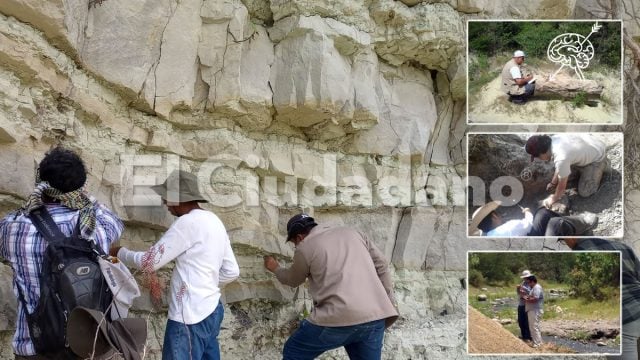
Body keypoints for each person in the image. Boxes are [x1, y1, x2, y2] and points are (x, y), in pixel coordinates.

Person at [0, 147, 124, 359]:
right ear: (81, 188)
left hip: (34, 349)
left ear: (41, 184)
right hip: (87, 348)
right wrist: (85, 197)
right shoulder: (99, 227)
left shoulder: (12, 229)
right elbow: (114, 220)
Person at [111, 170, 240, 360]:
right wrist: (204, 284)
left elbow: (149, 262)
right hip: (212, 309)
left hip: (189, 317)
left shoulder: (187, 223)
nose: (164, 203)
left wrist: (119, 252)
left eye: (166, 197)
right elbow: (232, 271)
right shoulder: (214, 221)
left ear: (178, 198)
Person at [263, 214, 399, 359]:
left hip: (337, 319)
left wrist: (276, 268)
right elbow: (382, 264)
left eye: (293, 243)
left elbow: (293, 280)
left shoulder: (305, 247)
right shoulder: (354, 233)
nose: (296, 246)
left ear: (299, 237)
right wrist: (389, 300)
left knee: (294, 351)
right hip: (375, 317)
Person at [561, 238, 640, 360]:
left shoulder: (581, 250)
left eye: (563, 241)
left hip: (626, 317)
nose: (567, 244)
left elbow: (591, 291)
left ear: (572, 237)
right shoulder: (623, 246)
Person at [525, 134, 608, 209]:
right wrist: (553, 183)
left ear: (542, 153)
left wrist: (553, 199)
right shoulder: (552, 140)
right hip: (589, 145)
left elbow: (561, 188)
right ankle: (582, 167)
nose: (539, 159)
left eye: (537, 157)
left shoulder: (561, 157)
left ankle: (604, 165)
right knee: (564, 169)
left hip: (597, 157)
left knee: (585, 191)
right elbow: (561, 165)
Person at [468, 201, 597, 237]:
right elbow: (529, 223)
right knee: (554, 223)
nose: (500, 215)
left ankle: (577, 227)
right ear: (494, 216)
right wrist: (528, 212)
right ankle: (585, 222)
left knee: (542, 214)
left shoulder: (486, 236)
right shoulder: (508, 228)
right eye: (497, 213)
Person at [524, 275, 544, 348]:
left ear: (532, 281)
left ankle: (537, 344)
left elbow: (535, 298)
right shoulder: (534, 288)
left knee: (534, 327)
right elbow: (533, 297)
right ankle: (539, 342)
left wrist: (526, 299)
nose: (528, 284)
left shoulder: (537, 287)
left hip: (535, 310)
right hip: (533, 309)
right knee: (535, 326)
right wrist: (527, 297)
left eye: (529, 282)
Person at [517, 270, 533, 342]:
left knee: (527, 322)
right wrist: (518, 289)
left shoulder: (531, 283)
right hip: (521, 304)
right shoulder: (523, 283)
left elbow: (531, 292)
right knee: (521, 321)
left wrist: (524, 289)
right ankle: (524, 336)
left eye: (526, 277)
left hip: (527, 304)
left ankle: (528, 337)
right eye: (524, 277)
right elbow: (519, 293)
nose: (525, 279)